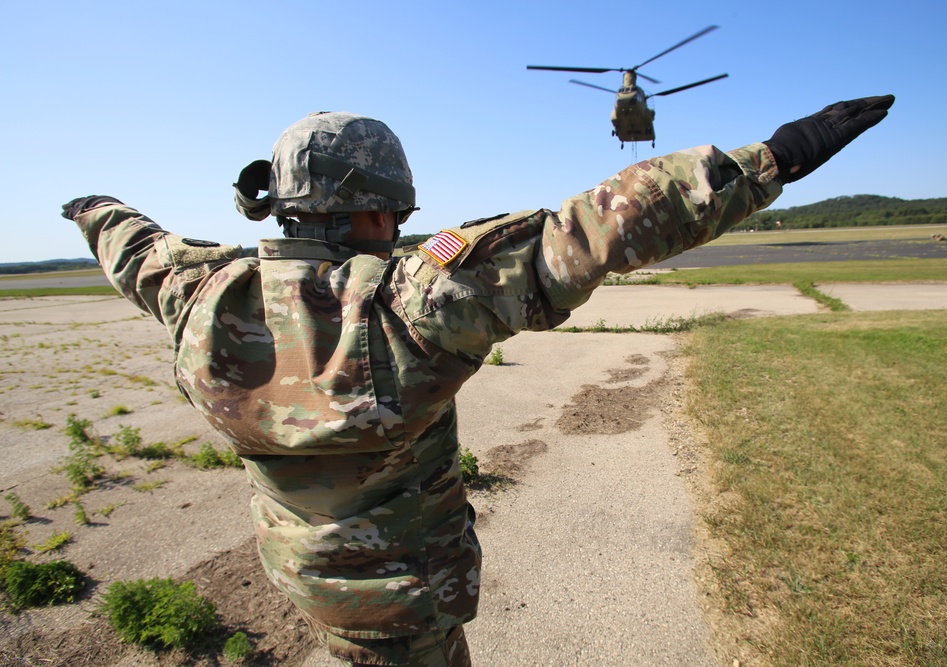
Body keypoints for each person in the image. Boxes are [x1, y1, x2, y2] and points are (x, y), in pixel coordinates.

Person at [62, 96, 894, 666]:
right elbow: (596, 228)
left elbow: (134, 248)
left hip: (309, 586)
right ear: (371, 212)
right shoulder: (407, 303)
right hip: (414, 611)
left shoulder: (201, 294)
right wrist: (776, 157)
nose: (395, 231)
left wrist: (88, 206)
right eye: (392, 215)